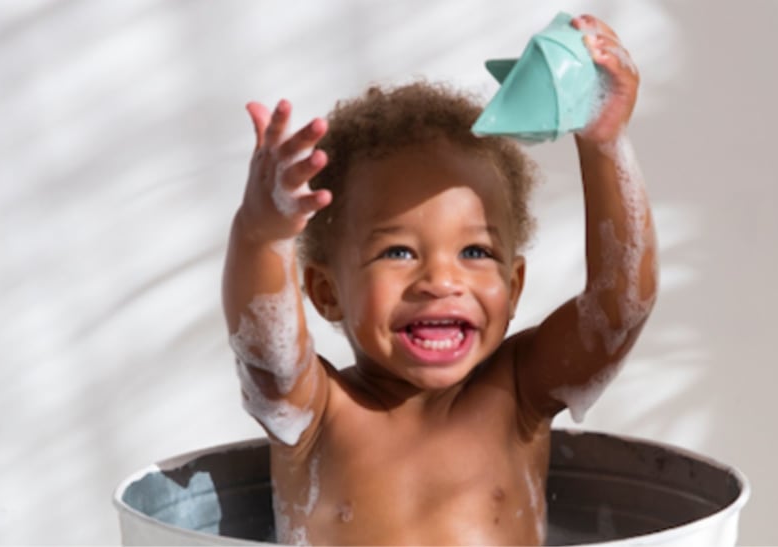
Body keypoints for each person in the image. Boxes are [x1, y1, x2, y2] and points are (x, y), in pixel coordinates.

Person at [222, 14, 657, 546]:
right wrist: (259, 236)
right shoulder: (319, 414)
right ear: (326, 292)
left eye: (475, 250)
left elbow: (618, 310)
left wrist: (605, 145)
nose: (440, 279)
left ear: (514, 286)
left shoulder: (515, 394)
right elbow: (265, 351)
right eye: (398, 251)